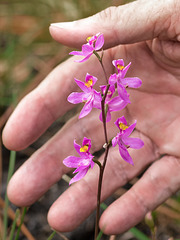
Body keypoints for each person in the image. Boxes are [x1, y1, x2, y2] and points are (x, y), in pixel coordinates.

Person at [2, 0, 180, 235]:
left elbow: (122, 89)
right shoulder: (96, 87)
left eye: (119, 70)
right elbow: (90, 97)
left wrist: (116, 88)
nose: (91, 45)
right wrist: (96, 98)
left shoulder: (118, 86)